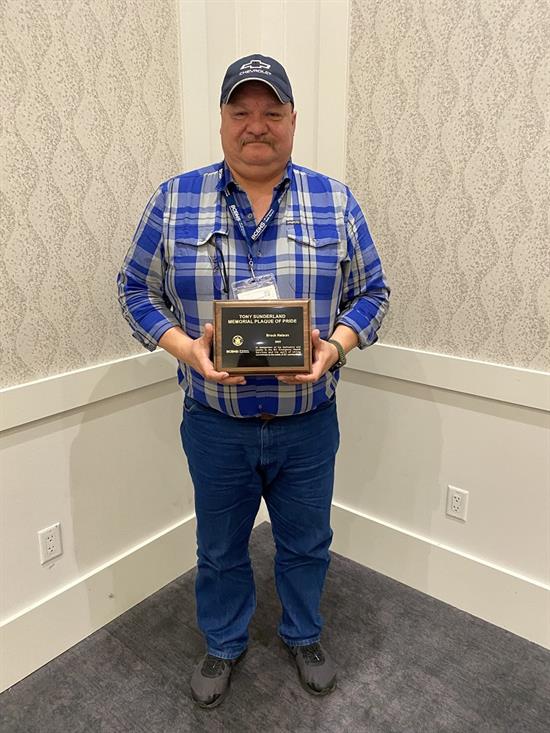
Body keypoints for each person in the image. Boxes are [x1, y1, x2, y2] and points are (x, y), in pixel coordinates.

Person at [117, 53, 390, 709]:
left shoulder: (336, 200)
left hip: (307, 423)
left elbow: (374, 293)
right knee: (218, 547)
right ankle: (224, 640)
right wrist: (185, 347)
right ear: (222, 121)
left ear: (293, 120)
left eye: (272, 111)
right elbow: (133, 289)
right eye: (242, 111)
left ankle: (302, 632)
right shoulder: (175, 199)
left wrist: (336, 346)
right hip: (216, 424)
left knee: (306, 543)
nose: (256, 125)